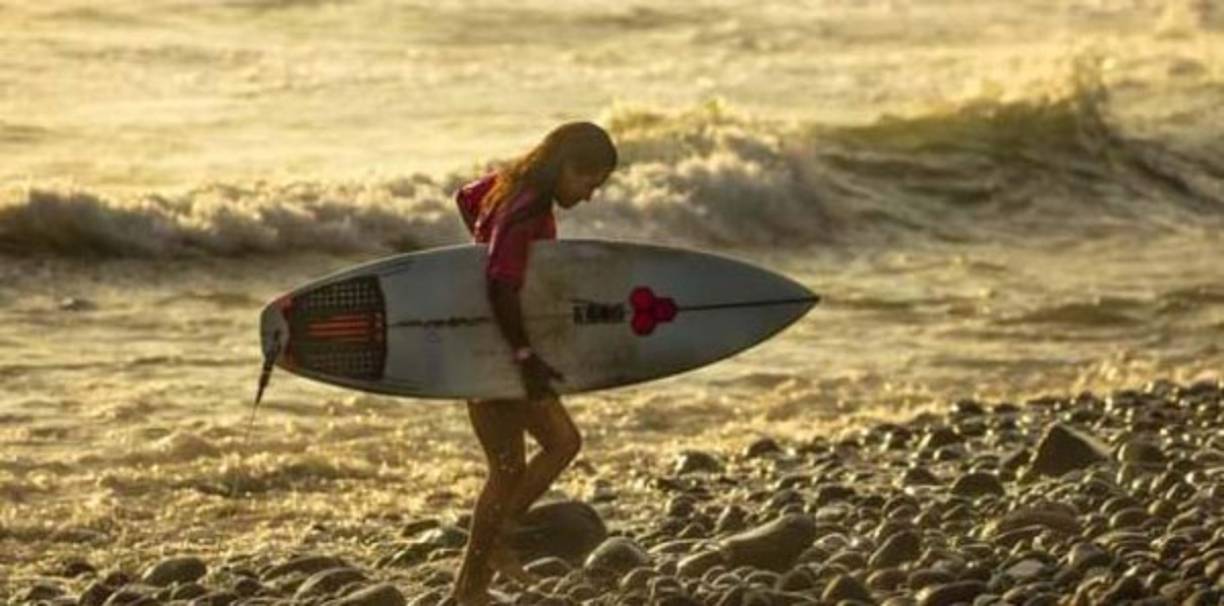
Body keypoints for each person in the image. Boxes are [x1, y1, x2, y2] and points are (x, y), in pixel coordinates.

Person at [449, 121, 618, 605]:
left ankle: (469, 590)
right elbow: (501, 284)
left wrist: (484, 241)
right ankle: (501, 536)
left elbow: (465, 198)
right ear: (564, 166)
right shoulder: (526, 207)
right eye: (588, 182)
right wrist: (525, 357)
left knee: (506, 470)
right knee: (562, 442)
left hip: (481, 345)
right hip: (506, 351)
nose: (588, 196)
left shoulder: (507, 187)